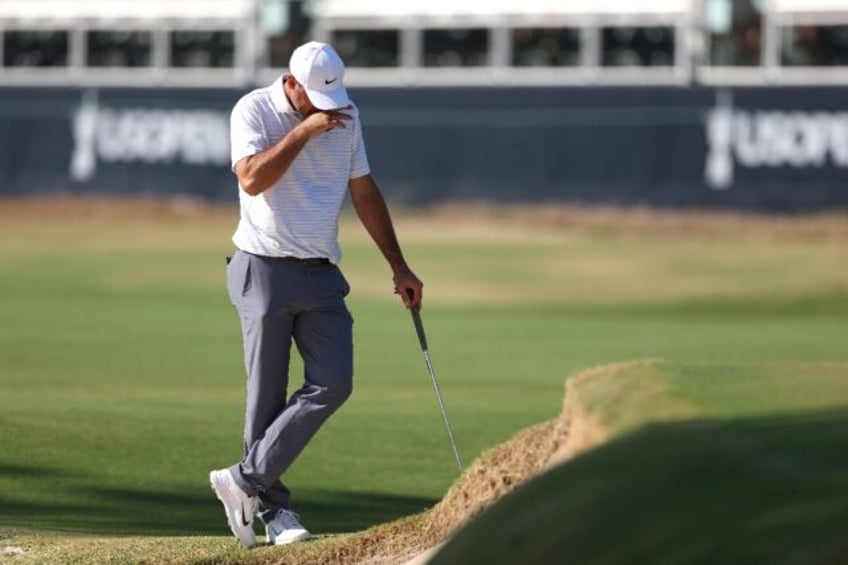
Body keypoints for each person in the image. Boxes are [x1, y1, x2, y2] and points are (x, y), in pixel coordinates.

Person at [209, 41, 423, 548]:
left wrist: (399, 264)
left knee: (334, 382)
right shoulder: (254, 109)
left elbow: (363, 189)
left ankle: (242, 481)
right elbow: (253, 179)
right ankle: (275, 512)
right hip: (262, 267)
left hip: (322, 271)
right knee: (265, 398)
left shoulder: (345, 114)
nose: (328, 111)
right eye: (314, 102)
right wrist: (304, 131)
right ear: (292, 83)